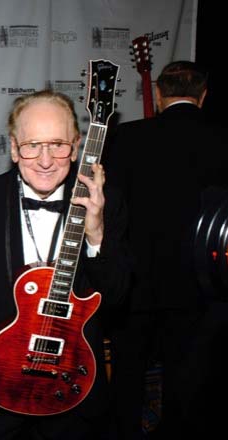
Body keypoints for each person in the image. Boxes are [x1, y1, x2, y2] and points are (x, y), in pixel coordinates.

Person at [0, 90, 131, 439]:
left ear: (75, 147)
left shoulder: (107, 202)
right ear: (14, 148)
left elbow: (118, 297)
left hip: (76, 389)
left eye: (57, 144)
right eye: (32, 145)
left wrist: (96, 235)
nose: (45, 161)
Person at [103, 60, 228, 438]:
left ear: (158, 95)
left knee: (127, 370)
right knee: (186, 371)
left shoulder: (126, 137)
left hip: (135, 281)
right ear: (203, 95)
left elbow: (110, 207)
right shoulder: (221, 139)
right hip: (198, 282)